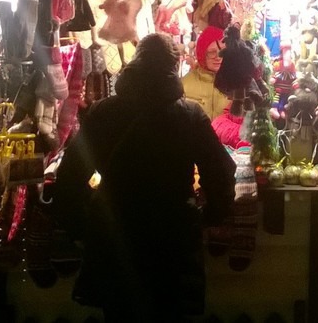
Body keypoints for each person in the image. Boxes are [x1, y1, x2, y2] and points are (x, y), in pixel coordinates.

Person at [53, 33, 235, 321]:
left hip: (117, 238)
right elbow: (222, 174)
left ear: (134, 65)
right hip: (172, 241)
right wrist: (208, 216)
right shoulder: (189, 115)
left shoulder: (103, 113)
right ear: (173, 68)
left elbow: (69, 180)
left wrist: (84, 227)